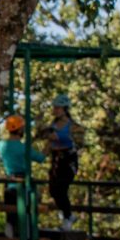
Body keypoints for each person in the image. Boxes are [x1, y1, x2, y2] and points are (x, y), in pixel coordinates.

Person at [0, 114, 45, 240]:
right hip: (23, 185)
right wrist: (48, 146)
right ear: (19, 130)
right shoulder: (23, 148)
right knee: (26, 217)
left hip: (9, 184)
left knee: (10, 218)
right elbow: (40, 158)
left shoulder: (1, 145)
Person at [45, 94, 85, 231]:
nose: (55, 110)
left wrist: (65, 139)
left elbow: (81, 142)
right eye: (54, 107)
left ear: (64, 109)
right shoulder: (52, 125)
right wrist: (41, 155)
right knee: (53, 189)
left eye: (58, 108)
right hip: (56, 160)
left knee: (62, 187)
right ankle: (67, 214)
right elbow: (48, 143)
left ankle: (67, 217)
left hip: (68, 160)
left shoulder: (72, 126)